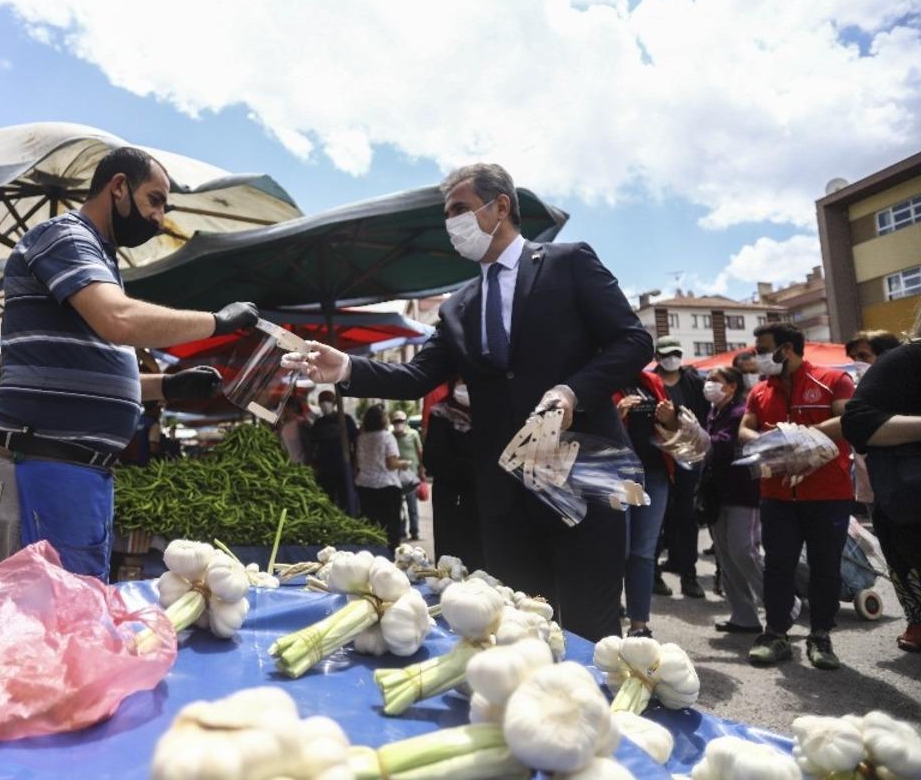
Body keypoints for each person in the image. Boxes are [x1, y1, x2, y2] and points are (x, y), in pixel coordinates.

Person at [285, 162, 652, 641]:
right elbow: (418, 375)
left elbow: (632, 342)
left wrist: (571, 391)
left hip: (583, 477)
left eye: (459, 208)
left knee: (589, 629)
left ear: (501, 206)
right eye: (447, 214)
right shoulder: (458, 306)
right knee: (518, 629)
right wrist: (348, 368)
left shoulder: (568, 263)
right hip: (505, 496)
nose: (451, 222)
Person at [0, 146, 256, 580]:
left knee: (71, 624)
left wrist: (166, 387)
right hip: (41, 472)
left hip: (77, 475)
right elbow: (118, 320)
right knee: (45, 626)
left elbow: (85, 371)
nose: (160, 219)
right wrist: (218, 322)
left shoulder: (100, 259)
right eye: (154, 201)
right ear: (118, 187)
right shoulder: (66, 237)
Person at [740, 322, 853, 670]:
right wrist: (763, 441)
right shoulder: (760, 391)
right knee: (778, 565)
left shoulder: (833, 380)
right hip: (776, 494)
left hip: (828, 493)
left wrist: (804, 435)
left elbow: (850, 420)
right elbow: (745, 427)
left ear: (786, 349)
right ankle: (776, 634)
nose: (758, 357)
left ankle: (820, 635)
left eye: (763, 349)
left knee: (825, 566)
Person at [842, 306, 921, 653]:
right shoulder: (904, 362)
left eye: (862, 355)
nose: (859, 361)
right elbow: (856, 422)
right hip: (905, 498)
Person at [614, 371, 678, 637]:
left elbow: (674, 429)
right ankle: (607, 618)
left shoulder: (651, 381)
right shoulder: (602, 377)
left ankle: (639, 626)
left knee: (643, 553)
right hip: (617, 476)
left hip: (655, 474)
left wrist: (671, 418)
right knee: (618, 549)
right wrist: (615, 416)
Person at [703, 366, 765, 635]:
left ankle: (783, 603)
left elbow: (724, 444)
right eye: (708, 380)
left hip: (743, 494)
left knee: (743, 551)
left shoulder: (739, 413)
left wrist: (695, 436)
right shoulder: (715, 412)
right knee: (727, 557)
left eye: (715, 381)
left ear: (731, 386)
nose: (708, 385)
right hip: (718, 494)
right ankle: (744, 616)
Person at [651, 336, 709, 599]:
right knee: (655, 519)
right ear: (657, 356)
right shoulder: (648, 383)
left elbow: (705, 419)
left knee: (686, 519)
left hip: (689, 460)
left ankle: (689, 576)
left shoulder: (695, 382)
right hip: (656, 460)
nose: (671, 358)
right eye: (666, 353)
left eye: (676, 352)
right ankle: (652, 575)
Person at [422, 379, 483, 568]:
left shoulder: (491, 412)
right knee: (454, 566)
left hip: (484, 503)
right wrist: (475, 470)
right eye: (461, 380)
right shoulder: (441, 413)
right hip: (452, 501)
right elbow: (432, 459)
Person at [845, 330, 902, 510]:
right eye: (854, 357)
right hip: (871, 491)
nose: (857, 363)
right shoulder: (856, 393)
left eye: (863, 356)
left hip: (905, 486)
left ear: (888, 355)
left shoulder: (905, 392)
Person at [355, 405, 410, 548]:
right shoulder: (387, 437)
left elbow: (358, 463)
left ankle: (373, 552)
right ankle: (391, 555)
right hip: (387, 486)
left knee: (371, 524)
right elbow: (391, 464)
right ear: (382, 420)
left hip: (365, 486)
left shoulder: (361, 438)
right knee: (391, 525)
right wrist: (403, 464)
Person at [310, 389, 359, 513]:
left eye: (327, 401)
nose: (324, 404)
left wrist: (355, 465)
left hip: (344, 467)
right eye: (321, 401)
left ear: (334, 403)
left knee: (346, 499)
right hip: (325, 469)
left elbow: (356, 443)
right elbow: (314, 447)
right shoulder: (318, 424)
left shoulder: (346, 420)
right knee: (328, 500)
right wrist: (315, 465)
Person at [390, 409, 424, 541]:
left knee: (412, 505)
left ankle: (414, 530)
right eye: (396, 421)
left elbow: (420, 452)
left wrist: (422, 469)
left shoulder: (413, 434)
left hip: (411, 475)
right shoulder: (391, 436)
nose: (398, 424)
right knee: (398, 506)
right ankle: (401, 530)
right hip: (395, 475)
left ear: (405, 422)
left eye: (400, 421)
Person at [277, 395, 312, 465]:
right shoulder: (284, 426)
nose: (282, 411)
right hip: (291, 467)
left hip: (304, 466)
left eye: (284, 408)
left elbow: (310, 446)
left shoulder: (302, 423)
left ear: (292, 408)